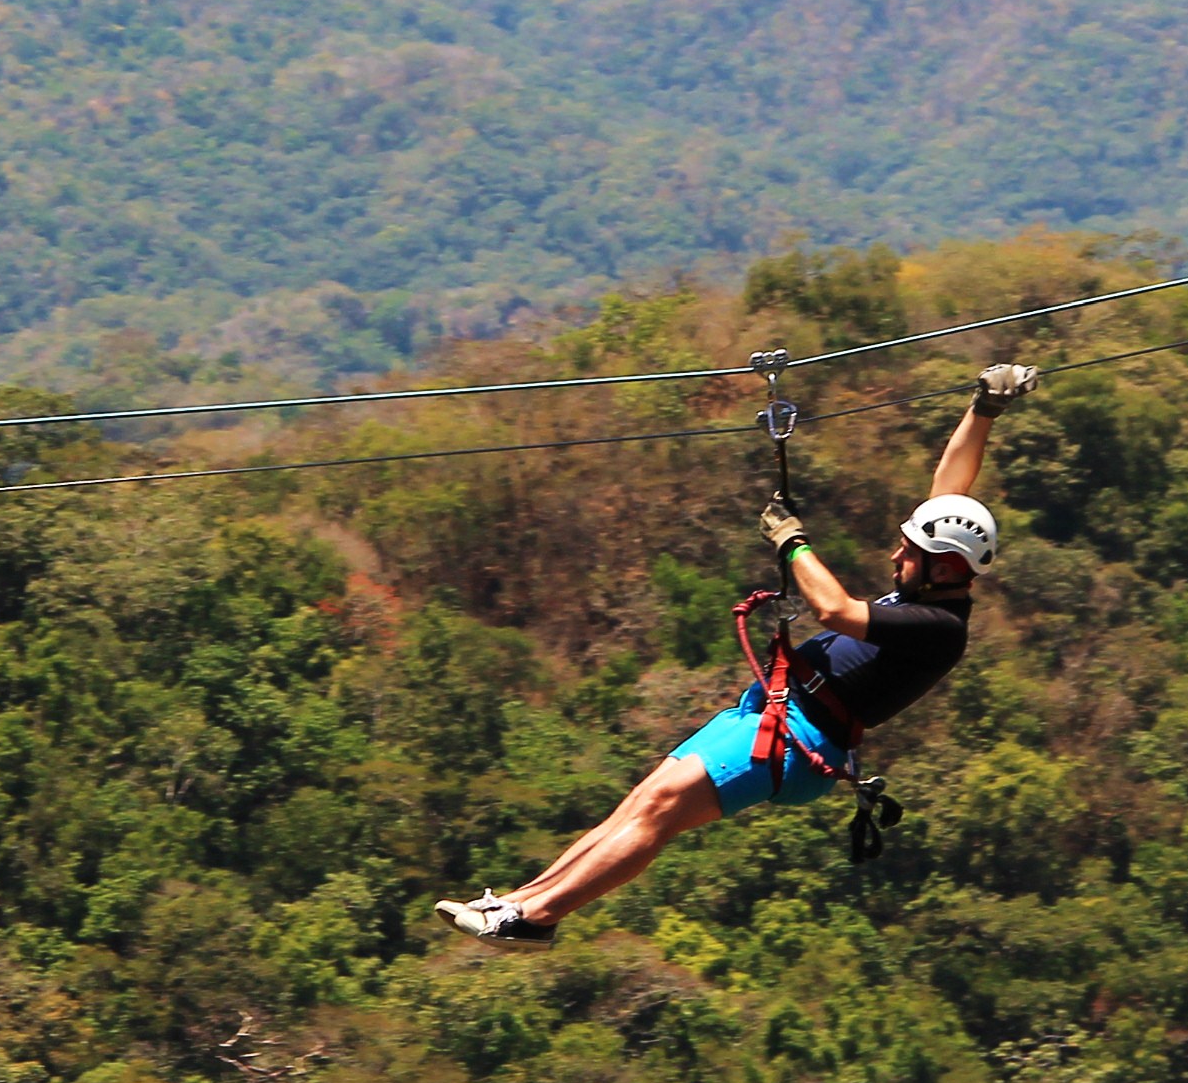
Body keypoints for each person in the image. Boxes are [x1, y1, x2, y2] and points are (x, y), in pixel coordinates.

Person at [435, 363, 1040, 947]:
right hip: (770, 712)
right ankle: (516, 904)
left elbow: (834, 611)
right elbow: (948, 491)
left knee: (659, 812)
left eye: (908, 553)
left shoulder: (939, 627)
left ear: (945, 566)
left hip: (796, 739)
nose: (894, 557)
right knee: (641, 802)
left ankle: (535, 919)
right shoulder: (930, 582)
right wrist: (982, 410)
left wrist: (793, 543)